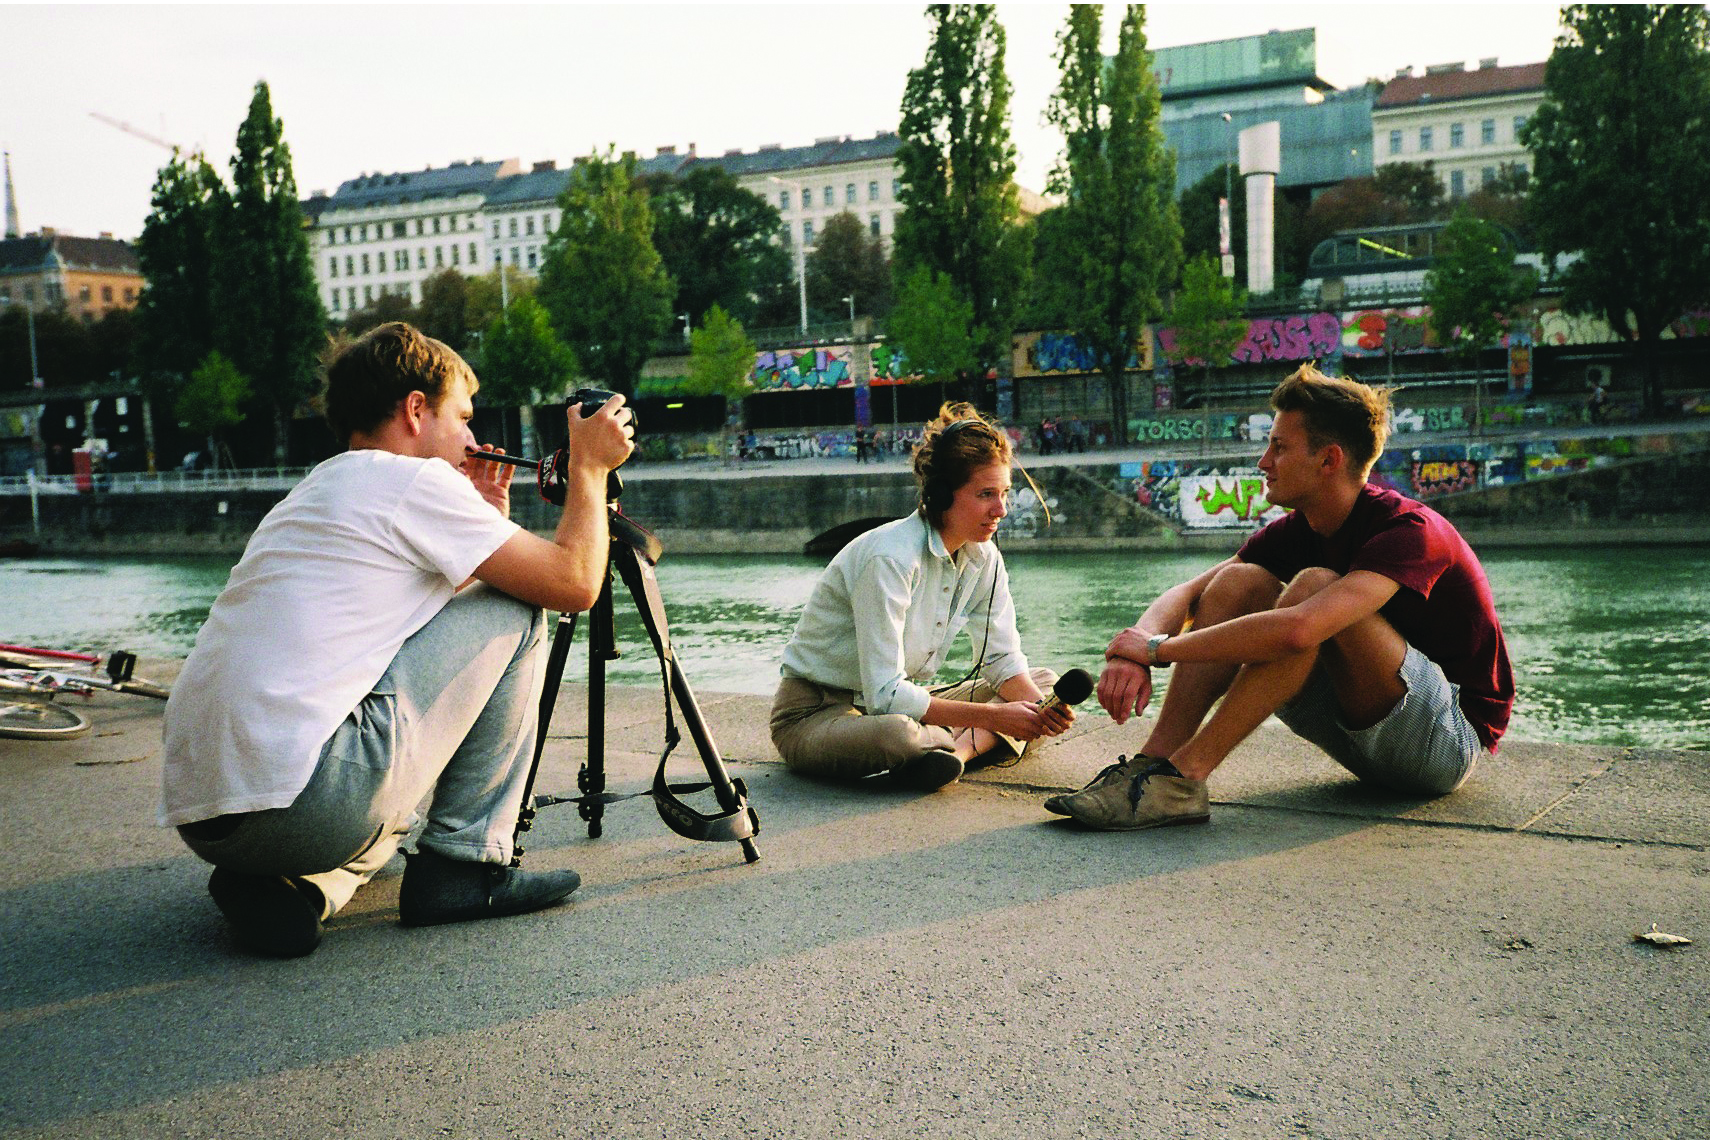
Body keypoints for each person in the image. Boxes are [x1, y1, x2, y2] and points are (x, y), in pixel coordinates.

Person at [160, 322, 634, 957]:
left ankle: (301, 885)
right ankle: (463, 865)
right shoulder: (413, 481)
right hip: (303, 801)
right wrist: (590, 469)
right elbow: (573, 583)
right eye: (461, 418)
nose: (471, 439)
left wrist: (486, 519)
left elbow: (422, 621)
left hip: (211, 817)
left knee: (392, 808)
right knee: (520, 611)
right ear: (416, 410)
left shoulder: (316, 490)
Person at [1049, 364, 1513, 830]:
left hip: (1444, 743)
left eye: (1279, 447)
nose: (1263, 462)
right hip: (1360, 730)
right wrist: (1133, 650)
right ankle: (1151, 766)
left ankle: (1184, 778)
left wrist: (1157, 650)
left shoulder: (1409, 530)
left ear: (1329, 459)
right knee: (1238, 583)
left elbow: (1300, 629)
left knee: (1313, 590)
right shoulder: (1302, 527)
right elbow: (1191, 593)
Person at [770, 403, 1073, 791]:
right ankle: (959, 745)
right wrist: (996, 719)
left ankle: (953, 755)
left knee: (1044, 683)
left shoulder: (985, 559)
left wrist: (1041, 713)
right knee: (898, 735)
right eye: (985, 495)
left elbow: (1003, 661)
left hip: (904, 703)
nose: (1002, 510)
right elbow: (884, 696)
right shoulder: (890, 558)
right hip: (816, 715)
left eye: (1004, 493)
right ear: (943, 494)